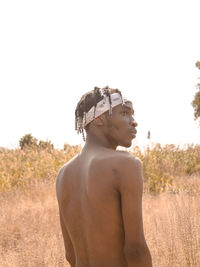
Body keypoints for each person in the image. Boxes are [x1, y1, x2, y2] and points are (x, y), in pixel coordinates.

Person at [56, 86, 152, 267]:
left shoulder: (63, 175)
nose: (133, 122)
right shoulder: (126, 165)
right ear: (99, 119)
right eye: (124, 112)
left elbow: (70, 254)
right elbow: (135, 248)